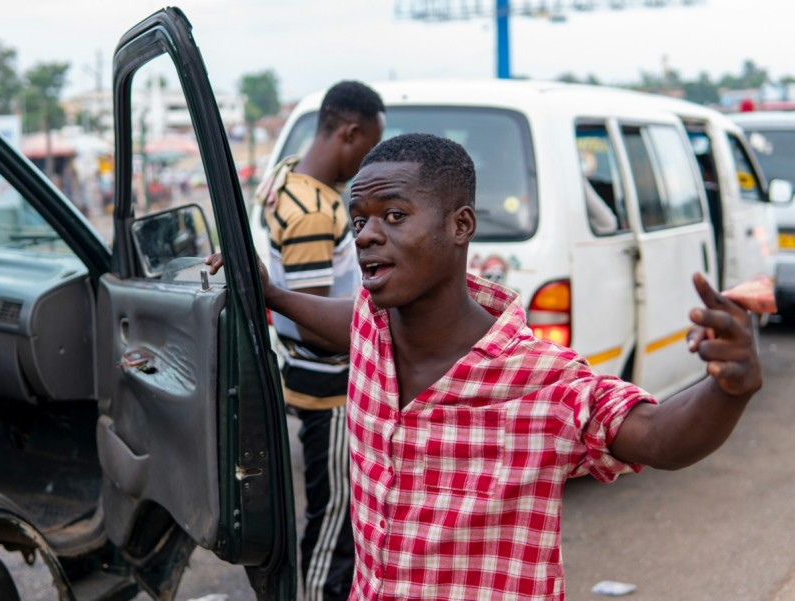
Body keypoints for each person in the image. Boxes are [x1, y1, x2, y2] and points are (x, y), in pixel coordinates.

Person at [247, 132, 762, 601]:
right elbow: (342, 319)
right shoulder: (372, 331)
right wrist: (272, 294)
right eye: (359, 220)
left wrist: (728, 390)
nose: (365, 235)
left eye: (394, 215)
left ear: (460, 225)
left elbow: (659, 438)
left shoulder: (543, 381)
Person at [210, 80, 385, 601]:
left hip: (309, 377)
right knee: (335, 519)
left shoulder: (286, 178)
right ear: (349, 133)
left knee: (335, 514)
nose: (369, 162)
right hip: (330, 390)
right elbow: (312, 320)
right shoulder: (314, 209)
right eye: (370, 148)